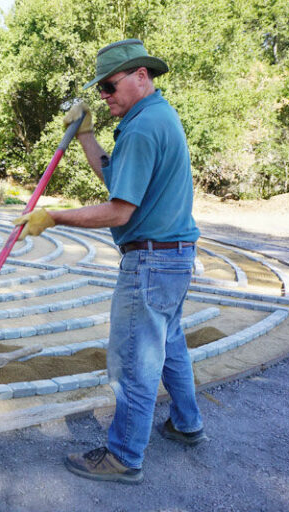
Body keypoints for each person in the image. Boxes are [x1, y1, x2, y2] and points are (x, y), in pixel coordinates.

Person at [13, 39, 205, 484]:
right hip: (175, 258)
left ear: (141, 75)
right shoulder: (155, 116)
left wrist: (54, 216)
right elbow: (118, 179)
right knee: (170, 344)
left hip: (152, 262)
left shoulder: (141, 128)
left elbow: (120, 210)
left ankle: (123, 456)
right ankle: (188, 423)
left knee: (135, 362)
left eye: (110, 85)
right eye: (100, 88)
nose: (104, 95)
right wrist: (85, 136)